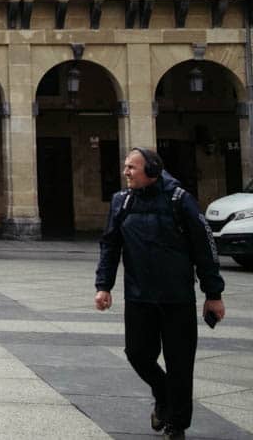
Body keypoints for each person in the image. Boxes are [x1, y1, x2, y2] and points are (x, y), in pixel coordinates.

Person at [95, 146, 226, 440]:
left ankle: (176, 424)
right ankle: (163, 393)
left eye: (132, 167)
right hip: (139, 296)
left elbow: (204, 249)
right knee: (137, 354)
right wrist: (104, 286)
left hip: (177, 298)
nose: (126, 172)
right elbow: (110, 245)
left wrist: (213, 294)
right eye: (126, 166)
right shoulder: (122, 202)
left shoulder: (181, 201)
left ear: (152, 171)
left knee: (180, 363)